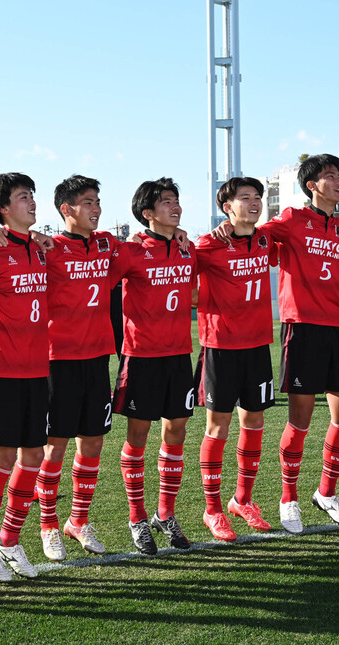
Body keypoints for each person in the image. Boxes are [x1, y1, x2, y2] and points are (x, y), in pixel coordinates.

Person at [216, 154, 339, 533]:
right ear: (312, 185)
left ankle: (326, 492)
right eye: (330, 176)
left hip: (338, 330)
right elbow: (252, 231)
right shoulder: (292, 220)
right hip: (302, 328)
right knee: (301, 418)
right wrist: (223, 228)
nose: (338, 181)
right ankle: (288, 498)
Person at [0, 173, 50, 581]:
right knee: (3, 457)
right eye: (23, 197)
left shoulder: (40, 247)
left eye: (32, 195)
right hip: (0, 368)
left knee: (33, 456)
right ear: (3, 208)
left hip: (39, 367)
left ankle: (8, 539)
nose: (32, 202)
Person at [34, 176, 118, 561]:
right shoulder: (47, 248)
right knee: (55, 448)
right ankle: (48, 524)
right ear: (67, 210)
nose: (96, 208)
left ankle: (78, 521)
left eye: (97, 201)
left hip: (98, 358)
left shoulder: (107, 245)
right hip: (58, 361)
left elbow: (148, 244)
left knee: (93, 443)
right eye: (87, 202)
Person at [111, 178, 196, 554]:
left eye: (176, 201)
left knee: (176, 430)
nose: (175, 207)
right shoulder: (130, 251)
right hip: (141, 356)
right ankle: (137, 517)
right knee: (138, 436)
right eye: (166, 202)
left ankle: (165, 514)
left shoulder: (186, 247)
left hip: (178, 355)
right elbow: (101, 284)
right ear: (148, 213)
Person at [193, 177, 276, 541]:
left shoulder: (266, 238)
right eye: (245, 198)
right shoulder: (208, 244)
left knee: (254, 423)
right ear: (227, 206)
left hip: (257, 346)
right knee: (218, 427)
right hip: (221, 347)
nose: (254, 203)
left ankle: (242, 499)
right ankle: (212, 509)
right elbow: (178, 275)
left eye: (258, 197)